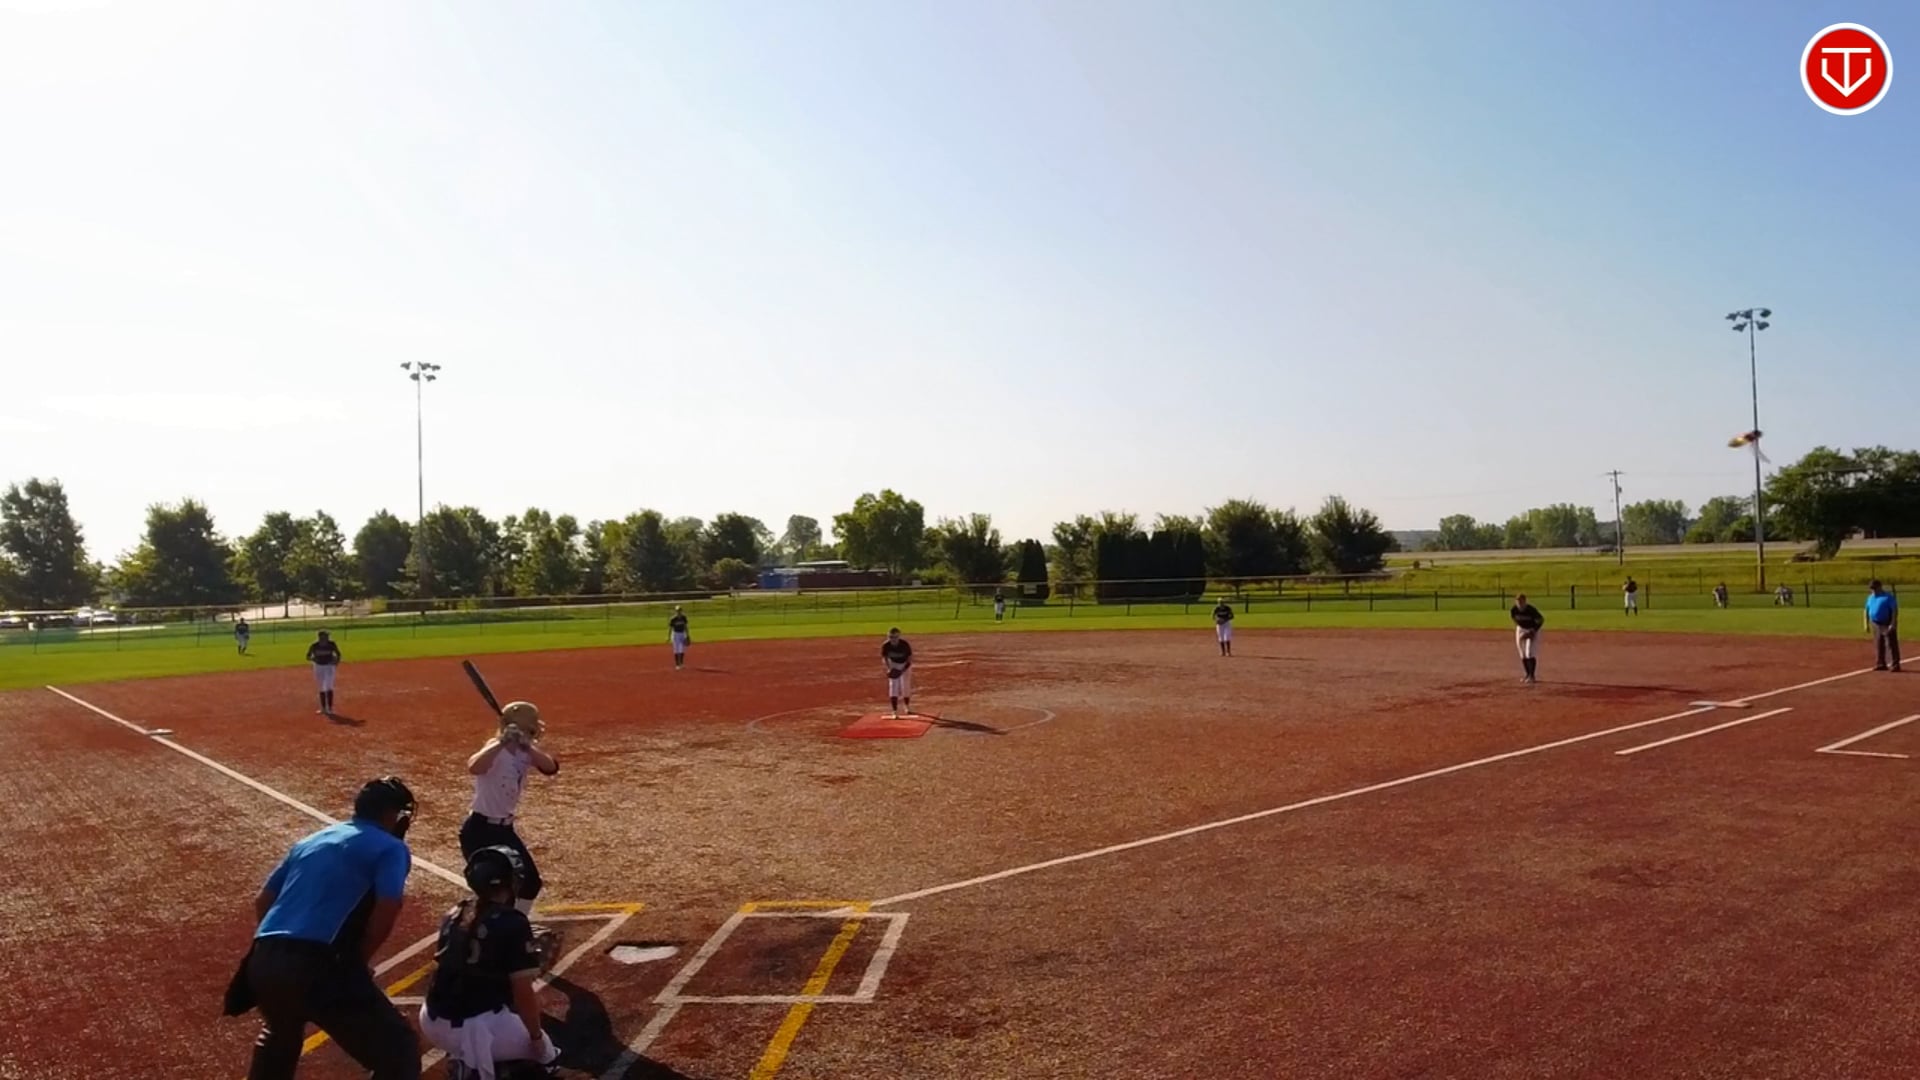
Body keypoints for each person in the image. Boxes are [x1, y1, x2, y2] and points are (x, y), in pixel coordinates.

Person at [234, 777, 419, 1080]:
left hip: (263, 960)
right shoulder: (390, 848)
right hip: (318, 966)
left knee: (279, 1038)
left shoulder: (310, 841)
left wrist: (278, 950)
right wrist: (357, 962)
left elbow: (263, 900)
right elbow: (388, 905)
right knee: (399, 1051)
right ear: (391, 815)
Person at [420, 847, 562, 1080]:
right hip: (474, 1028)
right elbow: (522, 994)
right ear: (509, 882)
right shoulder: (513, 922)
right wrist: (536, 1037)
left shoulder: (456, 911)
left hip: (429, 1018)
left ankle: (460, 1057)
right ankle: (474, 1068)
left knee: (490, 999)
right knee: (546, 1054)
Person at [461, 702, 560, 923]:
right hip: (479, 830)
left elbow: (551, 767)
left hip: (505, 830)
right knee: (493, 887)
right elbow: (474, 767)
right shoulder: (494, 748)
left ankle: (516, 926)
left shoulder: (525, 752)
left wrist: (527, 747)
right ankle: (480, 931)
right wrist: (501, 742)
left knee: (530, 882)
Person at [1865, 580, 1901, 672]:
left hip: (1887, 623)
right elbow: (1866, 610)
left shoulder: (1888, 597)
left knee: (1891, 644)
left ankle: (1895, 664)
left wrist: (1893, 623)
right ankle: (1880, 663)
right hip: (1875, 623)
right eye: (1872, 589)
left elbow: (1894, 610)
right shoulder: (1870, 597)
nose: (1873, 591)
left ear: (1880, 587)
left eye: (1875, 588)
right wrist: (1866, 623)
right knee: (1878, 644)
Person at [1510, 593, 1544, 684]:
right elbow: (1515, 619)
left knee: (1529, 652)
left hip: (1533, 629)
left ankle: (1532, 676)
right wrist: (1522, 632)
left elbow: (1541, 620)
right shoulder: (1514, 610)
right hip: (1521, 629)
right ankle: (1527, 674)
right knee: (1522, 652)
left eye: (1521, 601)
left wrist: (1532, 631)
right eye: (1518, 601)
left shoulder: (1531, 610)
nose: (1519, 603)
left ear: (1525, 601)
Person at [307, 630, 342, 716]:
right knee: (321, 687)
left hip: (329, 666)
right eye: (325, 636)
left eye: (327, 636)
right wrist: (313, 659)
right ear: (320, 637)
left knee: (329, 686)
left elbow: (338, 654)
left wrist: (336, 661)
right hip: (318, 667)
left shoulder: (331, 644)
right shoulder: (314, 646)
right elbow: (308, 656)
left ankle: (329, 708)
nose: (327, 637)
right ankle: (323, 708)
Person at [881, 628, 914, 718]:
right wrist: (889, 668)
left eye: (895, 637)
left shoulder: (904, 645)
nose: (893, 639)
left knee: (905, 686)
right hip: (893, 664)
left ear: (899, 637)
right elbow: (885, 658)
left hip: (905, 664)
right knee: (893, 686)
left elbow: (909, 659)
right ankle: (894, 711)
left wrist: (902, 671)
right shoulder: (886, 645)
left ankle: (907, 706)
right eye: (891, 637)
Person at [667, 606, 690, 670]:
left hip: (682, 634)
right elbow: (670, 628)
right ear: (675, 611)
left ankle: (681, 664)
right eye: (677, 610)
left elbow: (685, 627)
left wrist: (687, 635)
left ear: (681, 611)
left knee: (682, 649)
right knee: (676, 649)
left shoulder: (684, 618)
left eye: (679, 610)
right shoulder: (673, 619)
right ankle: (677, 664)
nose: (678, 612)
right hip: (675, 634)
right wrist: (668, 637)